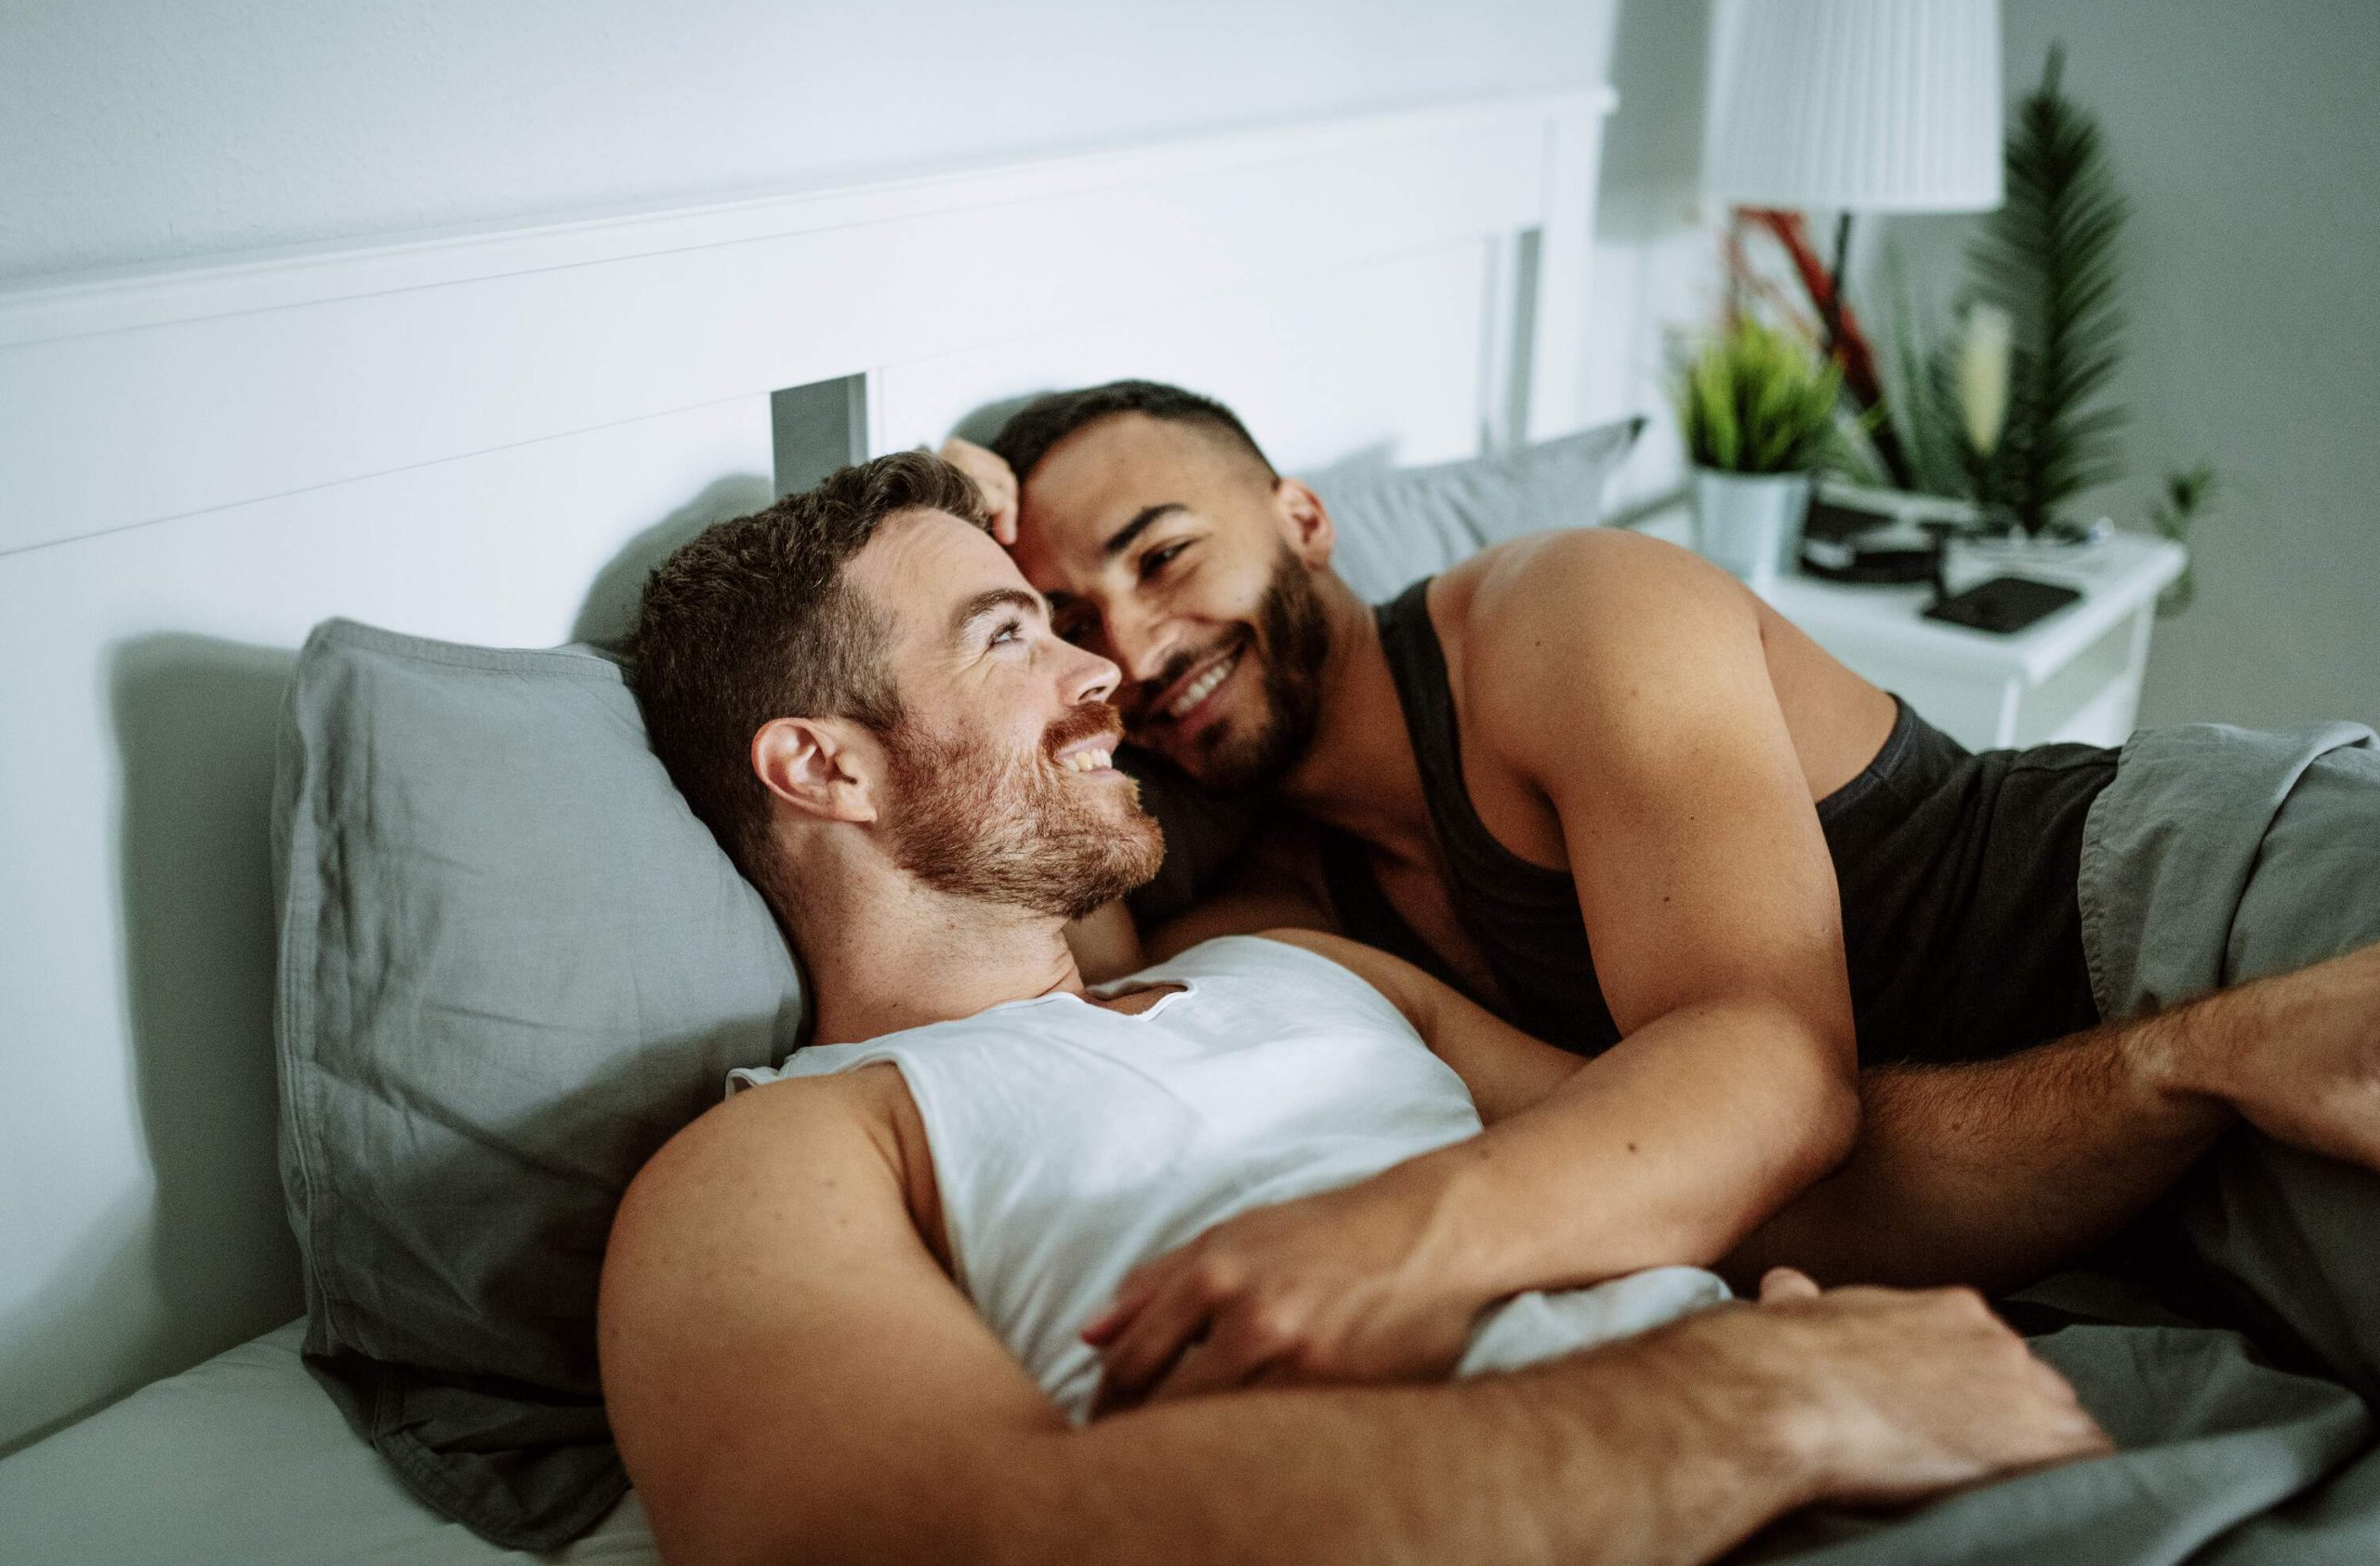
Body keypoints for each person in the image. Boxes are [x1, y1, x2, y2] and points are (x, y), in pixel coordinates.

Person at [600, 451, 2109, 1566]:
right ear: (824, 768)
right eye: (1014, 634)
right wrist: (1754, 1400)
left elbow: (1802, 1197)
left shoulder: (1303, 965)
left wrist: (2172, 1079)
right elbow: (950, 1541)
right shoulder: (773, 1161)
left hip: (1966, 1441)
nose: (1105, 673)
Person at [934, 380, 2380, 1403]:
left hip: (2194, 913)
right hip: (2069, 1178)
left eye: (1165, 553)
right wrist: (948, 546)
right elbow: (1071, 969)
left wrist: (1405, 1237)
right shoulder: (1277, 917)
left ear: (1301, 516)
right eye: (1065, 622)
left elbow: (1770, 1075)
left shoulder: (1558, 614)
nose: (1132, 633)